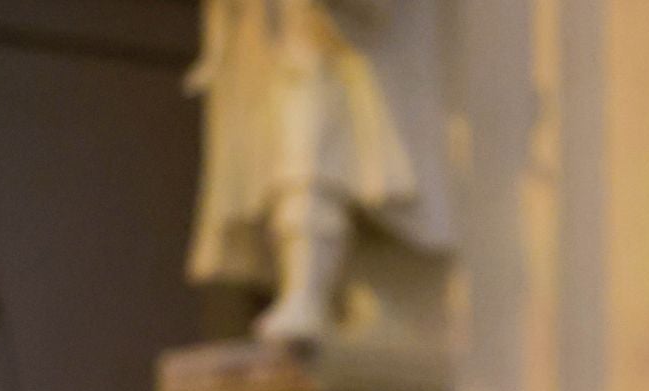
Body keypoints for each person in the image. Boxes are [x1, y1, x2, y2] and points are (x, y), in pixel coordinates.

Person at [185, 0, 455, 341]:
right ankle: (307, 292)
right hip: (289, 46)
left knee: (311, 163)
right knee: (298, 163)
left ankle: (308, 294)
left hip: (337, 45)